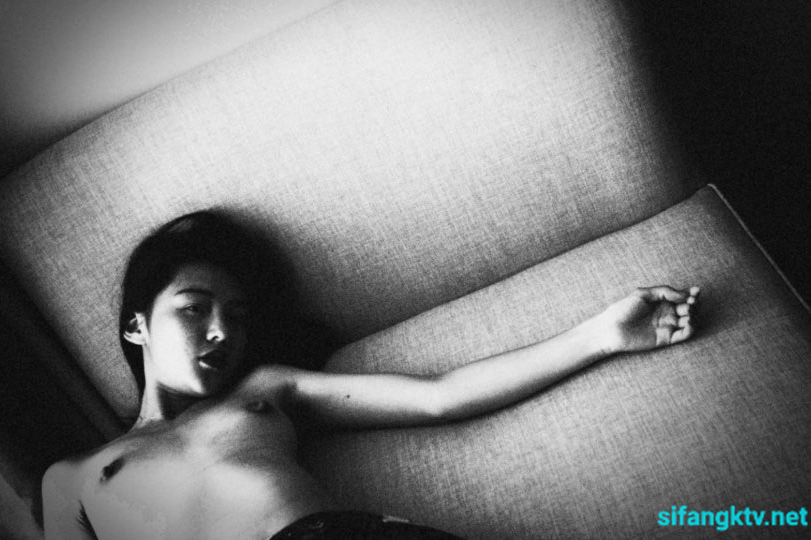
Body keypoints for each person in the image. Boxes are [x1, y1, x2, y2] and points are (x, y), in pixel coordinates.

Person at [42, 211, 700, 540]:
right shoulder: (72, 477)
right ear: (137, 326)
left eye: (237, 317)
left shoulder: (264, 392)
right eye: (194, 309)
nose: (222, 332)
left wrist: (600, 336)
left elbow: (440, 397)